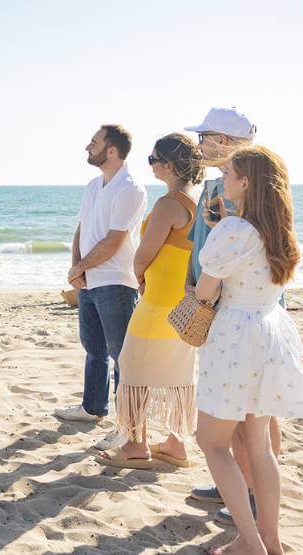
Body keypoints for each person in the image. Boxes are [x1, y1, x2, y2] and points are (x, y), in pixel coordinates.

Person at [193, 146, 303, 555]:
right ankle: (271, 540)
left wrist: (198, 295)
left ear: (245, 183)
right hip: (269, 332)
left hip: (233, 338)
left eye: (229, 174)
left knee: (213, 441)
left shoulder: (233, 231)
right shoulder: (278, 229)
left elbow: (208, 289)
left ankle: (249, 541)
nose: (222, 179)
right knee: (258, 444)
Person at [182, 107, 280, 525]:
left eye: (204, 136)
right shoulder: (212, 187)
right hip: (215, 306)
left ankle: (254, 494)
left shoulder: (249, 192)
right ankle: (235, 484)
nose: (199, 143)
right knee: (232, 412)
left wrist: (205, 290)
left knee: (254, 417)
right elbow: (200, 241)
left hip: (240, 309)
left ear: (225, 141)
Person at [96, 134, 205, 469]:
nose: (151, 165)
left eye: (153, 159)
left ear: (169, 165)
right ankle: (176, 443)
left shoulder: (168, 204)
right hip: (183, 303)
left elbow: (143, 255)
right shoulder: (196, 201)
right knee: (178, 373)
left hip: (157, 302)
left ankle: (135, 445)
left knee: (132, 367)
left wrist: (139, 276)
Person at [55, 125, 147, 453]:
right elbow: (82, 227)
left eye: (94, 142)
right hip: (90, 280)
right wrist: (75, 267)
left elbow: (115, 240)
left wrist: (81, 267)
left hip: (115, 282)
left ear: (111, 150)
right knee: (93, 348)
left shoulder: (130, 188)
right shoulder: (94, 185)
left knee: (122, 357)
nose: (87, 146)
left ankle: (127, 429)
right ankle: (92, 407)